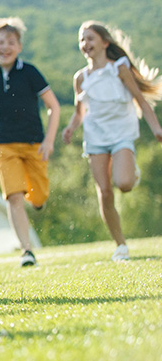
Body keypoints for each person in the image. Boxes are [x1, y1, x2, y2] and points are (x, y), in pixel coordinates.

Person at [61, 21, 162, 262]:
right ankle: (121, 246)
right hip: (95, 137)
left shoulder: (119, 69)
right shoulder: (81, 78)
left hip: (121, 134)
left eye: (90, 38)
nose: (86, 44)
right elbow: (79, 111)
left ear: (105, 43)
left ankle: (130, 169)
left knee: (124, 184)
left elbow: (141, 101)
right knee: (104, 191)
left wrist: (157, 128)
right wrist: (70, 127)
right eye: (82, 40)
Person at [0, 17, 61, 267]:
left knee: (38, 196)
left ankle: (37, 202)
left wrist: (49, 141)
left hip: (34, 145)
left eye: (10, 42)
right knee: (14, 197)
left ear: (19, 46)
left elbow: (53, 106)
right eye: (0, 42)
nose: (5, 47)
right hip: (4, 146)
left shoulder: (30, 72)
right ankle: (27, 251)